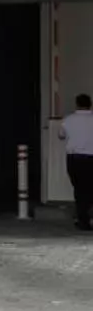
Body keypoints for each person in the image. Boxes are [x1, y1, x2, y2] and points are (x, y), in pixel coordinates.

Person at [61, 92, 93, 231]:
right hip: (91, 158)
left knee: (79, 189)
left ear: (77, 104)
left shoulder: (68, 119)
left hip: (74, 159)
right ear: (90, 104)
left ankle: (83, 221)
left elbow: (61, 135)